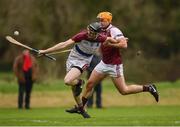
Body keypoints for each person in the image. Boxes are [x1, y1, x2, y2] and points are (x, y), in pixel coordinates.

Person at [80, 12, 159, 116]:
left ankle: (149, 88)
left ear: (109, 21)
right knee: (89, 84)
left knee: (124, 91)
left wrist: (110, 44)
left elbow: (124, 45)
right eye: (100, 20)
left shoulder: (114, 30)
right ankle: (81, 109)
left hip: (114, 65)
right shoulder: (101, 30)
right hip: (103, 63)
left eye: (103, 20)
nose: (101, 22)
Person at [39, 22, 118, 118]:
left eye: (93, 33)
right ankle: (81, 109)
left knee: (68, 81)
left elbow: (110, 39)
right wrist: (45, 51)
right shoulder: (81, 36)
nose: (90, 34)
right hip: (72, 59)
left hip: (83, 61)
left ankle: (80, 82)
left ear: (98, 34)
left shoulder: (101, 38)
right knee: (74, 89)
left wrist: (121, 41)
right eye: (89, 31)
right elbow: (64, 44)